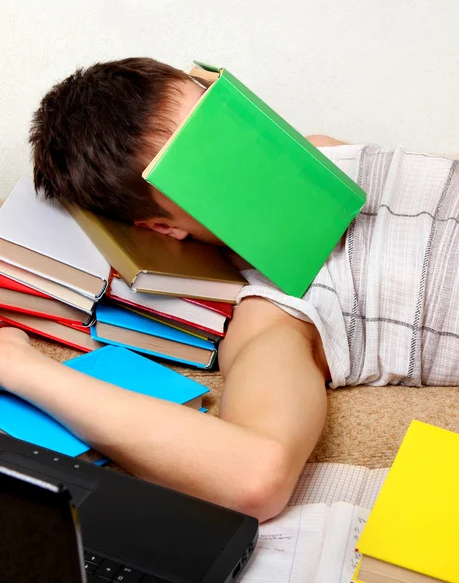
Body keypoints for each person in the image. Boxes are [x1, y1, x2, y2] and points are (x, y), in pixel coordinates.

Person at [1, 58, 458, 522]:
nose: (253, 161)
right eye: (204, 168)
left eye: (216, 119)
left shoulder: (322, 153)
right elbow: (255, 477)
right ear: (163, 226)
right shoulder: (277, 314)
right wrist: (23, 369)